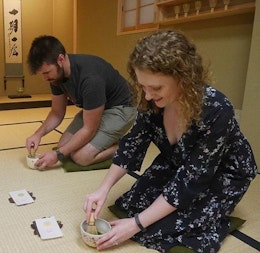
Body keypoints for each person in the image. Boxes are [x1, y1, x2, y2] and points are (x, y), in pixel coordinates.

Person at [83, 30, 257, 252]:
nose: (147, 95)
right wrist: (103, 188)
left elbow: (191, 180)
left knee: (165, 227)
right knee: (132, 204)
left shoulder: (217, 110)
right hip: (177, 162)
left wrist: (135, 225)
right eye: (143, 86)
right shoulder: (150, 100)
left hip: (221, 173)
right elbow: (133, 143)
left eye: (156, 88)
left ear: (183, 78)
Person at [25, 35, 136, 171]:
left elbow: (89, 129)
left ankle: (126, 145)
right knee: (64, 145)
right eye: (42, 74)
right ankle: (103, 141)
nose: (45, 78)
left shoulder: (90, 79)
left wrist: (57, 155)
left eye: (47, 72)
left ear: (60, 59)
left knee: (81, 157)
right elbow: (57, 112)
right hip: (96, 109)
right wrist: (37, 134)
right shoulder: (55, 76)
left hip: (121, 109)